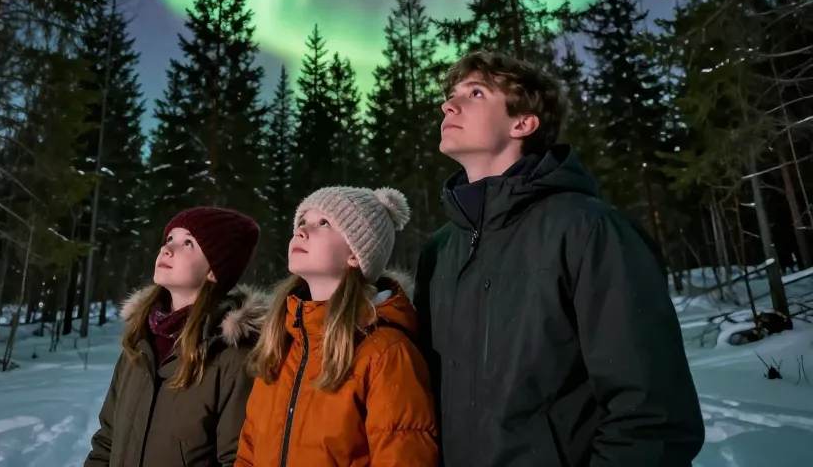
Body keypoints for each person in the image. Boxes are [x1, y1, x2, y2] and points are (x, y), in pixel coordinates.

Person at [414, 51, 706, 466]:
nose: (449, 105)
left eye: (475, 93)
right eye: (451, 94)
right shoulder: (439, 251)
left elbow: (651, 417)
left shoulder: (590, 231)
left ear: (523, 123)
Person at [235, 186, 438, 466]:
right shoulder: (282, 341)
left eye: (323, 223)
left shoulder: (386, 352)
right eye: (302, 221)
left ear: (355, 254)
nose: (301, 231)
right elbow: (248, 453)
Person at [84, 206, 265, 467]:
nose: (167, 248)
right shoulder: (139, 343)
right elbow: (106, 441)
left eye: (188, 243)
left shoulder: (232, 358)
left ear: (214, 270)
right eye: (169, 238)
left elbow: (237, 459)